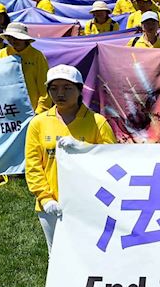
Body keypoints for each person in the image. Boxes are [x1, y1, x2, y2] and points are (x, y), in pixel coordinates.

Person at [24, 65, 116, 250]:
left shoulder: (97, 122)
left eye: (67, 88)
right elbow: (33, 165)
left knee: (90, 251)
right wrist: (45, 198)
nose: (60, 94)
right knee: (57, 253)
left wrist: (85, 149)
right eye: (54, 88)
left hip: (89, 202)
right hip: (51, 204)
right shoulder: (38, 123)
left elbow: (112, 161)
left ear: (80, 89)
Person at [0, 22, 52, 112]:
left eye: (17, 38)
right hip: (8, 109)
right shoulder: (1, 54)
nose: (13, 41)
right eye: (10, 38)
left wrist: (40, 110)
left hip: (32, 110)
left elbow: (44, 86)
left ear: (25, 39)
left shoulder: (37, 56)